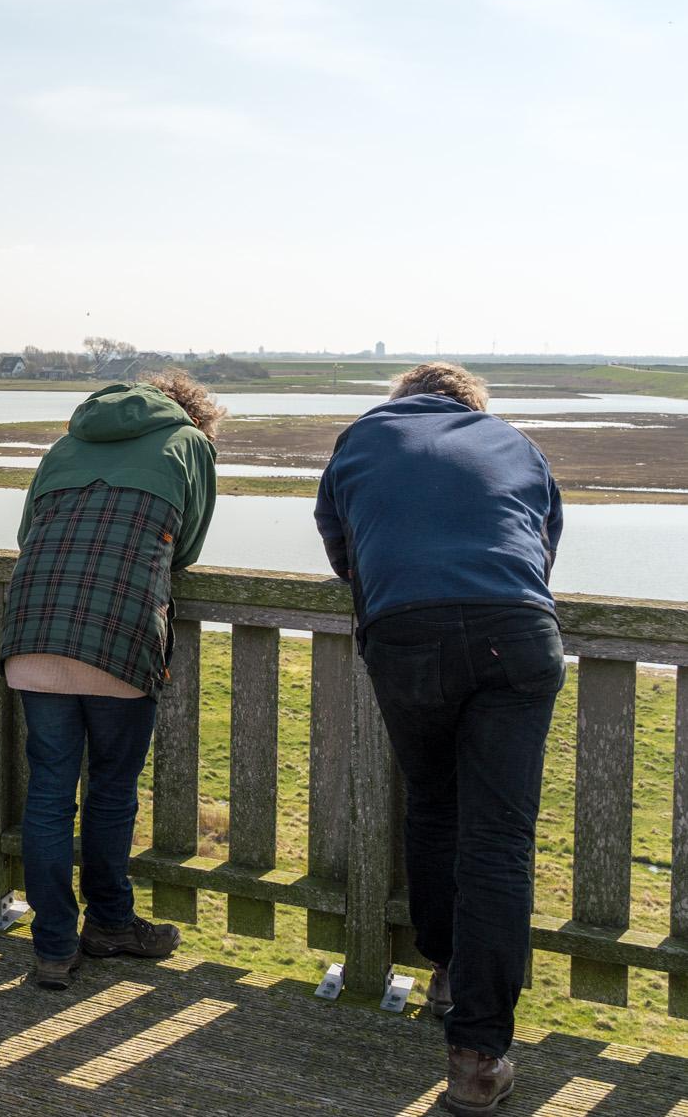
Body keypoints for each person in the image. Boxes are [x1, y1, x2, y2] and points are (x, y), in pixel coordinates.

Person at [314, 362, 564, 1117]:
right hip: (516, 629)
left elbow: (339, 543)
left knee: (431, 805)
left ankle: (447, 968)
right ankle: (478, 1058)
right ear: (471, 406)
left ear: (403, 401)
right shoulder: (512, 439)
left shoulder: (361, 439)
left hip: (405, 632)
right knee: (499, 841)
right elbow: (543, 538)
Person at [0, 370, 220, 990]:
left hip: (33, 627)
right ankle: (112, 924)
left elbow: (26, 535)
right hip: (119, 632)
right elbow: (190, 546)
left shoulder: (65, 443)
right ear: (194, 411)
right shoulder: (188, 443)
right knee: (112, 791)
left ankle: (52, 947)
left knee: (48, 792)